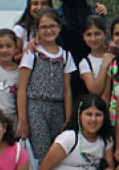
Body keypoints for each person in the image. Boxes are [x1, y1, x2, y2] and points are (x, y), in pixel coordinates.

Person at [17, 10, 76, 160]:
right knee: (40, 153)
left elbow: (67, 90)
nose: (49, 30)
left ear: (59, 27)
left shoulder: (65, 56)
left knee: (58, 152)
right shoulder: (32, 53)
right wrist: (22, 120)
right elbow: (22, 88)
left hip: (57, 108)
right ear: (37, 30)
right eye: (44, 27)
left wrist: (68, 119)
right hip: (36, 107)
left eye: (52, 26)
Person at [52, 0, 107, 100]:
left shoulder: (95, 12)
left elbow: (107, 40)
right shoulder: (58, 17)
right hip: (71, 76)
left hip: (98, 71)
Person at [77, 15, 113, 98]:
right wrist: (104, 66)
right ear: (83, 37)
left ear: (106, 34)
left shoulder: (114, 54)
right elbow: (95, 91)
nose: (93, 39)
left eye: (97, 34)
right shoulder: (85, 63)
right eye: (88, 35)